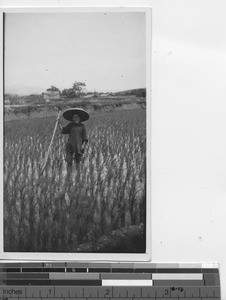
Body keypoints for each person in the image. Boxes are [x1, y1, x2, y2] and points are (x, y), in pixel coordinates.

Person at [58, 113, 88, 181]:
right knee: (69, 161)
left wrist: (83, 146)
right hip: (70, 145)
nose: (75, 118)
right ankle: (68, 177)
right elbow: (63, 130)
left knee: (78, 162)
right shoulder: (70, 125)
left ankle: (78, 177)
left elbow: (85, 138)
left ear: (79, 118)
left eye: (77, 117)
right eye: (74, 117)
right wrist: (58, 124)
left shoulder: (82, 126)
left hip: (79, 146)